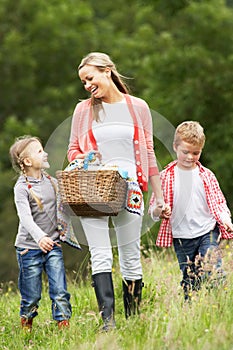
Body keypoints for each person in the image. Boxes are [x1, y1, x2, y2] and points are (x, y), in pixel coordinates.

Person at [67, 52, 165, 330]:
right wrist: (90, 156)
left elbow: (148, 152)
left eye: (90, 78)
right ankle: (107, 322)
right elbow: (72, 149)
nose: (86, 85)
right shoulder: (83, 110)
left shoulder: (138, 107)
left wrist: (158, 195)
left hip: (131, 187)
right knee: (101, 253)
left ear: (107, 71)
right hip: (95, 186)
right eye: (83, 82)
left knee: (130, 253)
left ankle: (132, 321)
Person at [149, 121, 233, 300]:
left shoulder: (206, 175)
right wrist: (159, 210)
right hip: (182, 237)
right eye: (185, 152)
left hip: (207, 231)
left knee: (212, 269)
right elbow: (153, 210)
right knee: (190, 279)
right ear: (175, 147)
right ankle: (191, 308)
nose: (190, 157)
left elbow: (219, 202)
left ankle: (218, 302)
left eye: (196, 153)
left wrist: (226, 219)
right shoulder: (165, 178)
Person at [9, 136, 72, 331]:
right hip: (29, 248)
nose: (44, 153)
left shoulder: (53, 182)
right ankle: (27, 319)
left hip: (52, 244)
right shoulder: (21, 188)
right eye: (39, 151)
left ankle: (63, 324)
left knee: (60, 289)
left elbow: (64, 208)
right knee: (32, 294)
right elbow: (25, 218)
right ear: (27, 162)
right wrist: (40, 237)